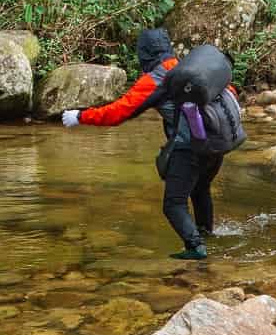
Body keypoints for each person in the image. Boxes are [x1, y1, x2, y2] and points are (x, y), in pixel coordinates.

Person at [60, 28, 217, 261]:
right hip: (216, 143)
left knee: (173, 204)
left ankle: (196, 248)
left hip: (190, 147)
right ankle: (208, 234)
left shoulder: (159, 77)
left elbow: (119, 112)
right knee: (199, 188)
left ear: (144, 53)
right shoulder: (189, 67)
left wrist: (80, 117)